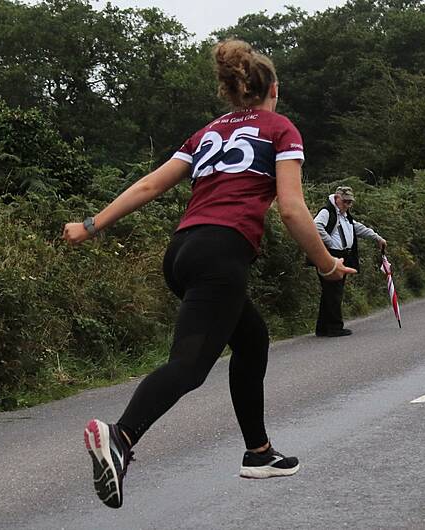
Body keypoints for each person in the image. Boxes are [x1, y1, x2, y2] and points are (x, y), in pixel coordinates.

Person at [65, 39, 356, 508]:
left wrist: (90, 225)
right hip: (222, 254)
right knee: (190, 365)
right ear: (273, 89)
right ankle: (120, 436)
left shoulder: (206, 134)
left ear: (232, 91)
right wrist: (327, 266)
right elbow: (293, 210)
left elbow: (149, 184)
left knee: (252, 338)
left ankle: (258, 452)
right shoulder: (280, 129)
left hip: (182, 252)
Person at [313, 186, 387, 337]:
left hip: (342, 255)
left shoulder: (345, 216)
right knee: (334, 291)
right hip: (331, 255)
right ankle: (335, 327)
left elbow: (357, 227)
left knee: (330, 291)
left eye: (350, 202)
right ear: (337, 198)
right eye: (345, 201)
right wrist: (329, 242)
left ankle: (323, 328)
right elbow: (316, 225)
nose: (347, 205)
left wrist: (376, 237)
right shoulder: (327, 212)